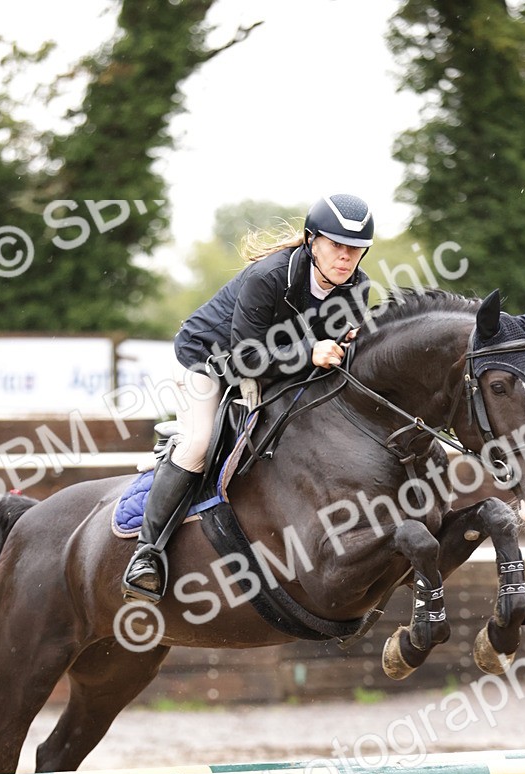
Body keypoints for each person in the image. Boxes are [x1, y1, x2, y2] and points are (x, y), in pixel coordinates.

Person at [121, 192, 375, 602]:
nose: (346, 258)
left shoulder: (357, 288)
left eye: (356, 250)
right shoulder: (269, 276)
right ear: (312, 241)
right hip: (208, 360)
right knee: (198, 445)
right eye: (337, 245)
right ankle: (146, 553)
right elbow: (247, 357)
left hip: (271, 366)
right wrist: (310, 351)